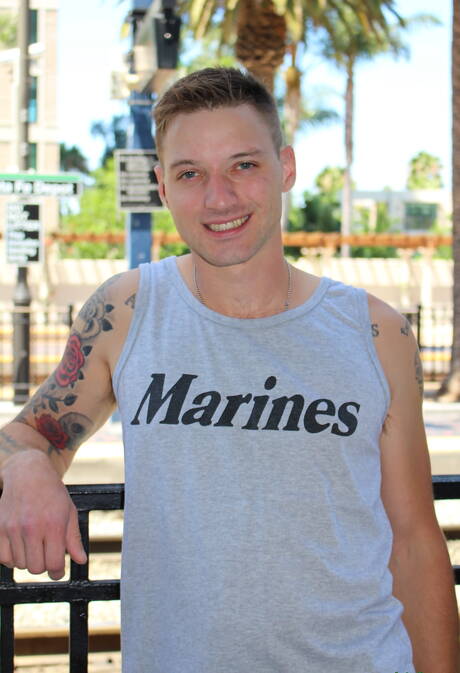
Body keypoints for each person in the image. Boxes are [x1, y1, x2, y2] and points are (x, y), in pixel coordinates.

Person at [0, 67, 457, 673]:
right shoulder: (126, 312)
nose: (219, 198)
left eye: (243, 165)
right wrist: (27, 465)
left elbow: (414, 539)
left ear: (285, 168)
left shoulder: (377, 333)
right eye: (191, 173)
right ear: (163, 186)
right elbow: (28, 434)